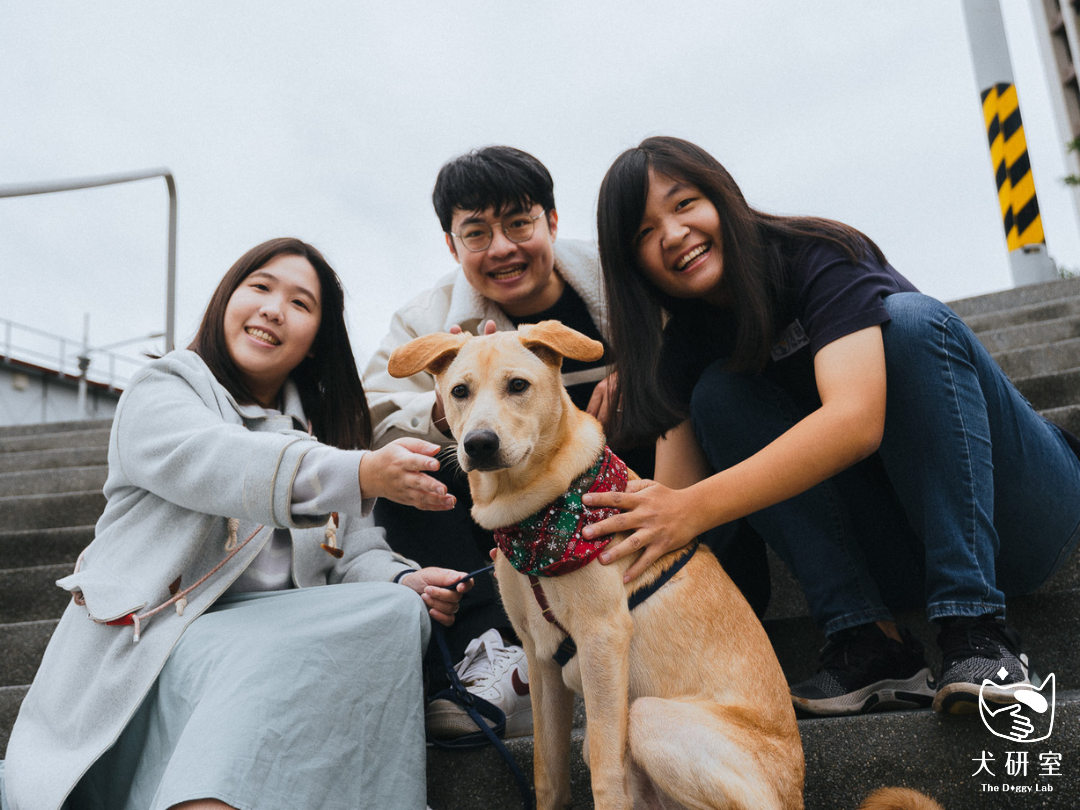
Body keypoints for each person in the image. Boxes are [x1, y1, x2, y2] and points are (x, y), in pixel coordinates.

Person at [581, 136, 1080, 717]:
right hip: (899, 554)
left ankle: (978, 632)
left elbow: (855, 420)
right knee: (718, 395)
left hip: (1021, 517)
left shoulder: (817, 255)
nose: (671, 234)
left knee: (910, 324)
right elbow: (667, 513)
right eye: (644, 233)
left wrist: (690, 507)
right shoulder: (680, 351)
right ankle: (869, 642)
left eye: (685, 203)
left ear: (722, 197)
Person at [2, 238, 471, 810]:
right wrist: (362, 472)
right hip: (155, 651)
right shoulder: (165, 388)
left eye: (300, 303)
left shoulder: (321, 436)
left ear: (315, 342)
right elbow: (223, 461)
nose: (274, 309)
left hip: (271, 652)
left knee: (394, 611)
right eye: (261, 287)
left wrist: (403, 580)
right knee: (269, 651)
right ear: (227, 299)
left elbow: (353, 551)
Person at [363, 146, 612, 740]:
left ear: (553, 221)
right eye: (476, 233)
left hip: (623, 481)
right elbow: (370, 417)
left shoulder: (619, 283)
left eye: (519, 223)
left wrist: (647, 371)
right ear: (453, 247)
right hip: (503, 509)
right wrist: (456, 402)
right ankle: (497, 650)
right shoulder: (426, 320)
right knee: (414, 463)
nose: (501, 248)